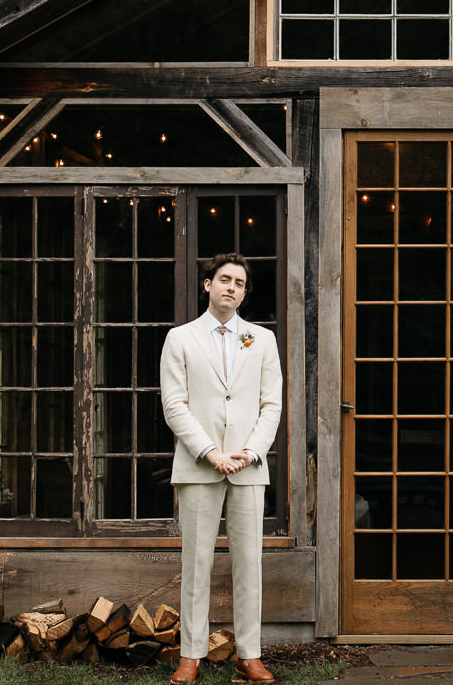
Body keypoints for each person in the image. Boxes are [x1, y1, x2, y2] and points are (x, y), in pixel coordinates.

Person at [160, 253, 283, 684]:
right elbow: (174, 406)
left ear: (245, 293)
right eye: (224, 279)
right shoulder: (180, 338)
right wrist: (211, 452)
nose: (231, 287)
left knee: (249, 564)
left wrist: (249, 453)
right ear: (207, 285)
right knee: (197, 563)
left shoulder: (262, 340)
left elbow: (272, 405)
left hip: (249, 468)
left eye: (239, 282)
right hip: (199, 466)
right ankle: (190, 655)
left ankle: (249, 654)